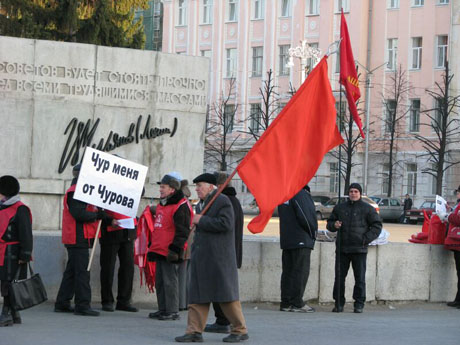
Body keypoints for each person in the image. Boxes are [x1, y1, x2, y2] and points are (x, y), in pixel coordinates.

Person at [175, 173, 248, 343]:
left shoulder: (222, 201)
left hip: (218, 258)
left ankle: (239, 330)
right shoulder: (203, 203)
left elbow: (226, 224)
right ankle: (194, 331)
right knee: (198, 297)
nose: (197, 189)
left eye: (200, 185)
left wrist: (202, 220)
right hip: (203, 258)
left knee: (226, 297)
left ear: (210, 186)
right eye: (196, 186)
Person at [55, 164, 105, 317]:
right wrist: (97, 216)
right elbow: (79, 214)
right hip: (77, 237)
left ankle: (62, 302)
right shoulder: (75, 192)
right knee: (82, 272)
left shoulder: (79, 191)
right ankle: (82, 305)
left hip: (78, 236)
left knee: (72, 271)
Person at [327, 183, 382, 313]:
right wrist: (334, 225)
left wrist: (365, 239)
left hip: (359, 249)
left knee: (360, 278)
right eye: (351, 191)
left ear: (360, 193)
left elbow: (377, 226)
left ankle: (359, 304)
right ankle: (339, 303)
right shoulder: (340, 208)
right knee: (339, 278)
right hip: (342, 249)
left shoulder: (368, 209)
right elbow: (329, 224)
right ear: (348, 193)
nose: (353, 193)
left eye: (356, 191)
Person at [148, 172, 192, 321]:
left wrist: (175, 249)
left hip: (170, 249)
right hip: (160, 248)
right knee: (160, 282)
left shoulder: (181, 205)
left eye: (163, 187)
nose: (160, 189)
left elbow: (183, 230)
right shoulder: (163, 203)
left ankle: (172, 310)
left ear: (172, 189)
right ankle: (163, 309)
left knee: (170, 281)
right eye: (161, 186)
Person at [204, 172, 244, 333]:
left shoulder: (225, 201)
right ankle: (224, 321)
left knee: (223, 290)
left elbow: (224, 226)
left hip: (224, 253)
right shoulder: (231, 201)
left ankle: (225, 322)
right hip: (227, 252)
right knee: (221, 289)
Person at [278, 184, 317, 313]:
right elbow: (306, 217)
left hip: (288, 239)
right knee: (300, 272)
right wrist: (313, 234)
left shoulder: (285, 194)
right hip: (301, 238)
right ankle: (297, 302)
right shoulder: (300, 194)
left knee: (288, 272)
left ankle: (286, 302)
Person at [0, 176, 33, 327]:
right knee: (6, 282)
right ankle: (14, 314)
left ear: (5, 193)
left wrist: (25, 254)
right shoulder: (3, 208)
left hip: (13, 253)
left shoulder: (20, 209)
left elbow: (26, 234)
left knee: (9, 283)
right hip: (3, 252)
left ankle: (6, 313)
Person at [99, 208, 138, 312]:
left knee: (128, 267)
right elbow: (98, 208)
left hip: (127, 231)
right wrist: (109, 220)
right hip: (110, 232)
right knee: (108, 267)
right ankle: (107, 300)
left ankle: (124, 300)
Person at [444, 186, 460, 308]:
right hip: (457, 243)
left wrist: (447, 216)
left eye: (458, 192)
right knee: (459, 273)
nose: (457, 194)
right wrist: (449, 211)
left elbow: (458, 219)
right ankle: (458, 299)